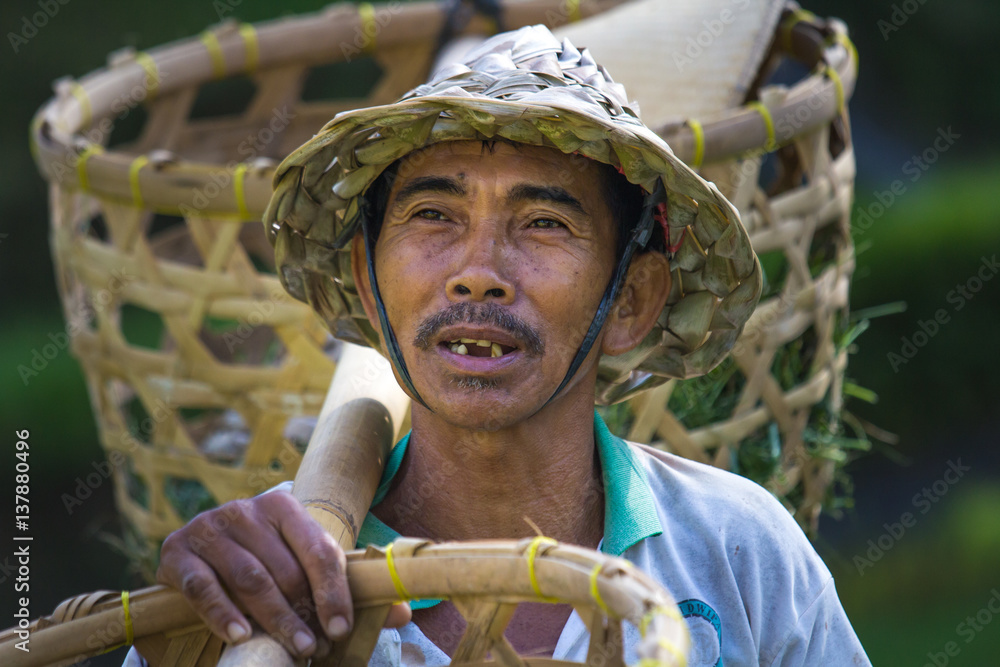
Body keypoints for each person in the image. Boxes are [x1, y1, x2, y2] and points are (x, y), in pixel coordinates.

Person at [125, 25, 869, 667]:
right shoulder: (265, 573)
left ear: (632, 301)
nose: (477, 274)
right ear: (366, 276)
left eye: (543, 222)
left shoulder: (739, 552)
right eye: (433, 215)